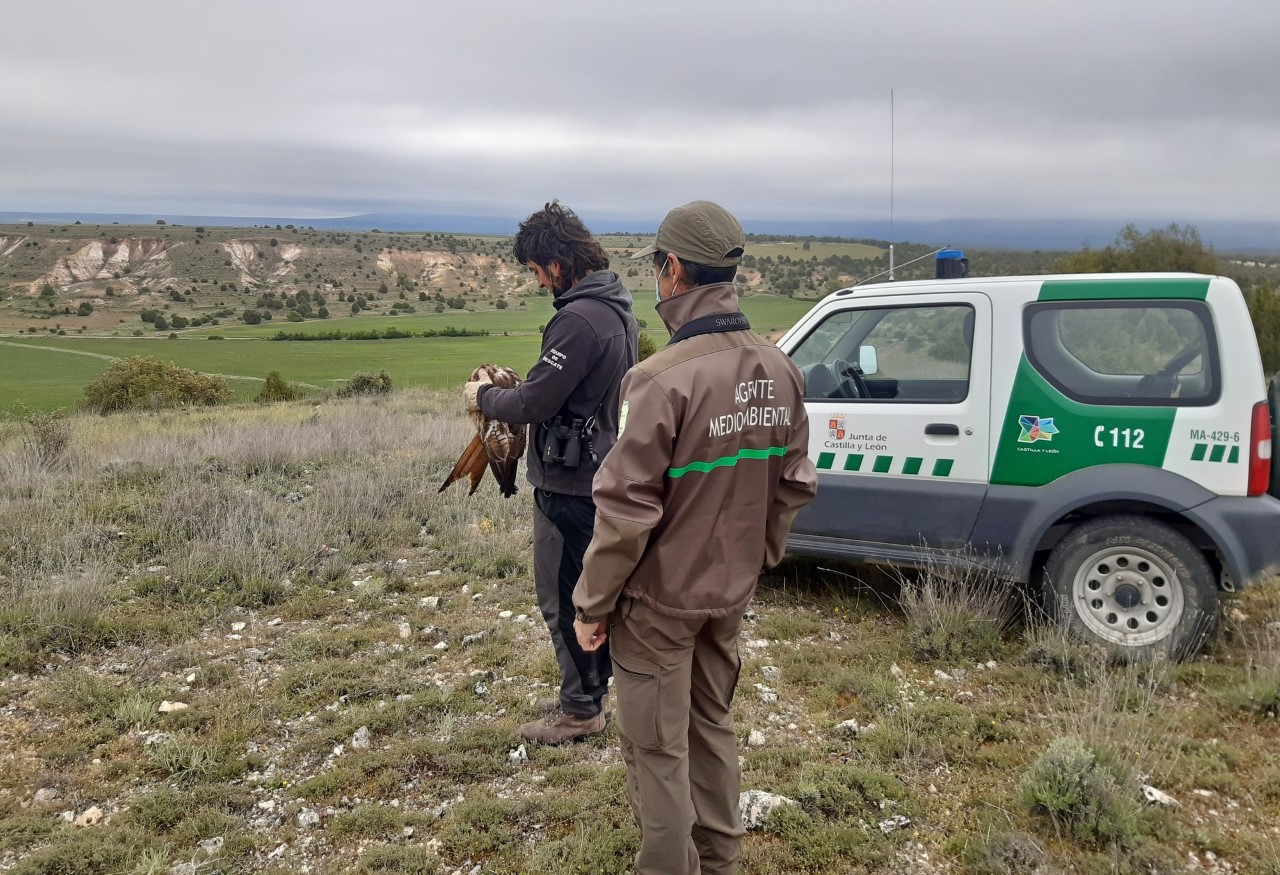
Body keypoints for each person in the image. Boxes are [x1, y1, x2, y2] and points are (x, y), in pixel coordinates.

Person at [571, 200, 817, 874]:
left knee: (656, 751)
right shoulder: (781, 368)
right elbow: (794, 485)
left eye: (658, 266)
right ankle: (721, 862)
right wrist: (752, 562)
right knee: (712, 727)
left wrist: (592, 605)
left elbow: (625, 511)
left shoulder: (658, 379)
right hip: (727, 597)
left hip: (657, 606)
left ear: (672, 269)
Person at [465, 201, 637, 744]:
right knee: (593, 592)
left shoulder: (578, 319)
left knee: (564, 599)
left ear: (557, 264)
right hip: (602, 471)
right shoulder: (616, 307)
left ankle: (581, 708)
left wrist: (485, 396)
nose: (539, 283)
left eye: (538, 272)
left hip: (568, 481)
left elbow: (536, 402)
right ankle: (589, 690)